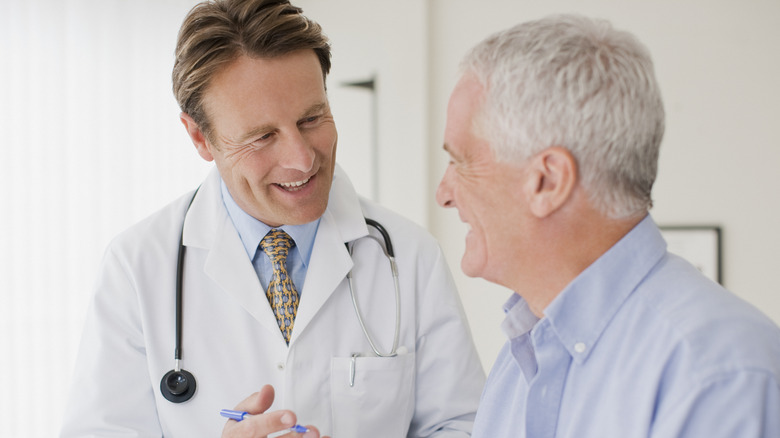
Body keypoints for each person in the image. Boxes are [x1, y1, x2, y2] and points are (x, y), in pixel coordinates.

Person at [60, 1, 485, 437]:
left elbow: (465, 425)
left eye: (311, 118)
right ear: (199, 137)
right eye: (263, 136)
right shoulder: (137, 267)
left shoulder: (410, 257)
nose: (302, 160)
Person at [436, 13, 780, 438]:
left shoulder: (720, 375)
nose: (444, 193)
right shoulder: (523, 357)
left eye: (460, 162)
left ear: (548, 181)